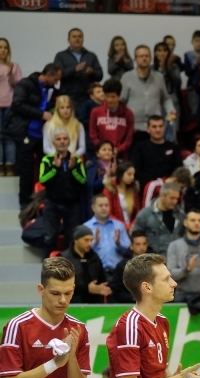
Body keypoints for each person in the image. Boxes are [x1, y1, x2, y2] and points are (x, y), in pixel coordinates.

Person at [5, 63, 61, 206]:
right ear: (48, 74)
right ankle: (25, 207)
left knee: (47, 171)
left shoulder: (52, 91)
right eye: (56, 79)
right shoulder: (26, 84)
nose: (57, 82)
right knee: (26, 173)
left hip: (42, 137)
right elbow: (18, 104)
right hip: (25, 132)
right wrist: (41, 114)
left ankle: (44, 203)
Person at [40, 128, 87, 258]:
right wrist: (55, 167)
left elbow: (83, 180)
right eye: (59, 139)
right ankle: (47, 268)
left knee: (72, 239)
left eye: (65, 139)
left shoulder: (76, 160)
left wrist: (73, 170)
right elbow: (42, 180)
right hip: (52, 203)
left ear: (69, 141)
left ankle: (70, 269)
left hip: (72, 204)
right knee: (49, 237)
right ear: (54, 143)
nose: (62, 142)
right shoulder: (47, 160)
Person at [120, 46, 176, 142]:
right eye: (141, 56)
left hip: (155, 127)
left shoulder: (159, 77)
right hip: (134, 128)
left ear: (151, 59)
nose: (144, 58)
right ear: (135, 60)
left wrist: (171, 110)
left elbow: (166, 98)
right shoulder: (126, 77)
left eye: (147, 56)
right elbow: (121, 102)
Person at [60, 225, 110, 304]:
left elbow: (102, 278)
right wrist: (86, 288)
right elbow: (61, 285)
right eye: (86, 240)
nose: (90, 243)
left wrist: (101, 288)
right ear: (76, 240)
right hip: (72, 303)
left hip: (94, 302)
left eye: (91, 240)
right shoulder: (64, 259)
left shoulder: (94, 257)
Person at [132, 182, 185, 255]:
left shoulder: (181, 215)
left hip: (176, 259)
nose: (175, 201)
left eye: (177, 199)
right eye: (172, 198)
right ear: (162, 196)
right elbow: (136, 237)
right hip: (153, 259)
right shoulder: (145, 215)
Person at [54, 28, 102, 107]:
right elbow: (57, 75)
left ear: (83, 39)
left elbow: (100, 75)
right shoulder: (61, 56)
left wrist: (92, 72)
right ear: (68, 40)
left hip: (87, 98)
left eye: (80, 37)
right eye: (74, 37)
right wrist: (74, 69)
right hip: (68, 97)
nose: (77, 39)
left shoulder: (91, 56)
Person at [130, 116, 182, 187]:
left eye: (160, 126)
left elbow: (178, 169)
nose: (158, 130)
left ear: (164, 128)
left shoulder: (173, 147)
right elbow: (136, 171)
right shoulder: (140, 148)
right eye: (154, 127)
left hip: (169, 186)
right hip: (147, 186)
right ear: (148, 129)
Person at [84, 194, 130, 271]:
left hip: (117, 272)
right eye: (100, 205)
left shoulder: (119, 226)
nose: (104, 208)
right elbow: (82, 252)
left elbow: (129, 251)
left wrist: (119, 244)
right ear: (93, 207)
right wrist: (95, 243)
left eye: (106, 205)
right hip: (95, 272)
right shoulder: (86, 227)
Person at [89, 79, 134, 159]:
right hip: (101, 156)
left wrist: (117, 150)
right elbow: (93, 135)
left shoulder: (128, 114)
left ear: (119, 96)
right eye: (107, 96)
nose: (110, 100)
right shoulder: (95, 112)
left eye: (113, 97)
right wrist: (103, 150)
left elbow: (128, 139)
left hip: (121, 157)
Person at [0, 38, 21, 177]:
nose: (2, 50)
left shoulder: (14, 66)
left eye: (5, 47)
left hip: (10, 106)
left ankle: (10, 165)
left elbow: (19, 86)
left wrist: (10, 74)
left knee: (9, 137)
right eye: (0, 47)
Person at [108, 230, 148, 304]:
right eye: (138, 244)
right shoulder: (122, 266)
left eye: (144, 244)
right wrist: (133, 298)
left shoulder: (153, 264)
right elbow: (116, 289)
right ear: (131, 246)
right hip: (126, 304)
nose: (142, 247)